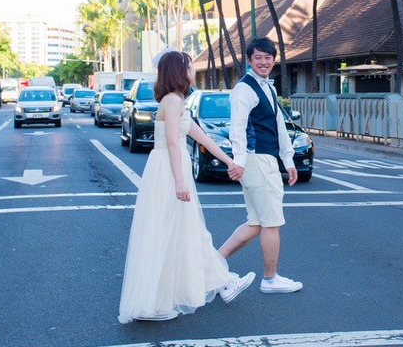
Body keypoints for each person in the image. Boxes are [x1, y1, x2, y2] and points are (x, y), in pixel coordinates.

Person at [117, 50, 254, 323]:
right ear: (180, 71)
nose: (193, 71)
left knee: (180, 233)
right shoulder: (171, 101)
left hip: (171, 170)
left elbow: (202, 137)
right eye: (190, 66)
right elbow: (170, 143)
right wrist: (180, 181)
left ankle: (173, 296)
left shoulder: (177, 101)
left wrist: (232, 162)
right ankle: (220, 283)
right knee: (178, 232)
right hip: (169, 172)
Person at [218, 38, 302, 294]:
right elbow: (238, 129)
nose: (264, 62)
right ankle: (270, 278)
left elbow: (278, 126)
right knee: (271, 223)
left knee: (256, 223)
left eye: (268, 57)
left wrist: (288, 160)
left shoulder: (268, 88)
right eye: (258, 58)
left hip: (265, 160)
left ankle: (210, 264)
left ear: (273, 59)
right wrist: (240, 162)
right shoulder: (244, 89)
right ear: (249, 61)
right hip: (257, 160)